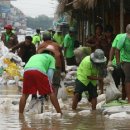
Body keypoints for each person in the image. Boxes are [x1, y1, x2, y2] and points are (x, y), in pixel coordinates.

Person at [19, 48, 62, 114]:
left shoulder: (34, 56)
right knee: (51, 92)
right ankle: (60, 113)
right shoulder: (51, 58)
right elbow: (50, 73)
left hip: (26, 71)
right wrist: (49, 85)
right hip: (39, 70)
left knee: (25, 94)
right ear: (50, 54)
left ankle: (20, 115)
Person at [36, 31, 65, 96]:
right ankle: (54, 99)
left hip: (44, 67)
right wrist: (63, 70)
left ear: (43, 38)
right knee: (55, 84)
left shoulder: (41, 46)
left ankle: (45, 99)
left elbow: (36, 57)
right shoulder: (56, 45)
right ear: (51, 38)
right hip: (56, 66)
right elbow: (61, 58)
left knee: (44, 83)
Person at [108, 33, 126, 99]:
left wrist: (110, 60)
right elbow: (113, 49)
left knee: (124, 82)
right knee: (122, 82)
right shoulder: (119, 36)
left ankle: (122, 98)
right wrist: (110, 60)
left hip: (123, 63)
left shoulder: (119, 36)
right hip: (119, 63)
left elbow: (113, 49)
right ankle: (120, 98)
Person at [116, 24, 130, 103]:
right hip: (126, 61)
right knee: (128, 80)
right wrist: (118, 62)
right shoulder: (123, 38)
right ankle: (129, 99)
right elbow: (117, 50)